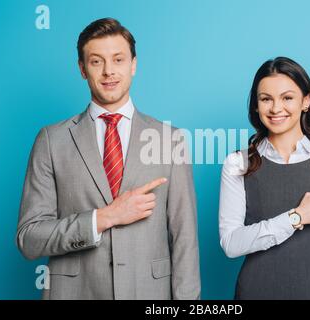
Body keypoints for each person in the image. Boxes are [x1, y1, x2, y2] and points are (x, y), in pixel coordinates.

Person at [16, 18, 200, 300]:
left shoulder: (169, 140)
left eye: (118, 59)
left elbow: (185, 238)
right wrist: (103, 218)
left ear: (134, 64)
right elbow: (29, 239)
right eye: (96, 61)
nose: (109, 71)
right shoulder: (52, 140)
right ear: (82, 69)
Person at [219, 57, 310, 300]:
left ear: (306, 101)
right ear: (256, 105)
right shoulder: (238, 164)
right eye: (266, 99)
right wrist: (296, 217)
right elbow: (231, 243)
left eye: (287, 98)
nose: (276, 108)